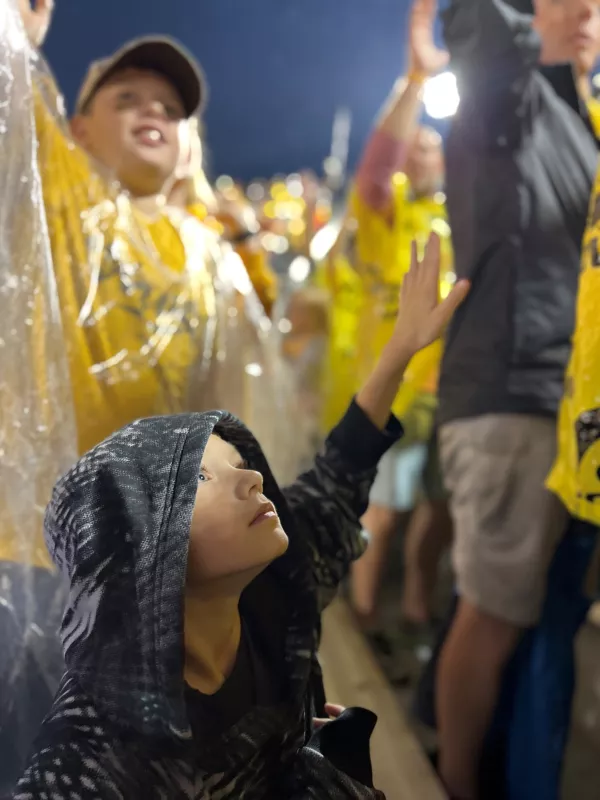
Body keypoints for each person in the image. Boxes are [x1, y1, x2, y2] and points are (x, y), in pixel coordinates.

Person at [14, 236, 470, 799]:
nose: (252, 478)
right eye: (200, 478)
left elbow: (335, 479)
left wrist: (399, 351)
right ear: (136, 546)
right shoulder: (96, 752)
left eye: (238, 462)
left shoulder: (274, 598)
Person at [1, 1, 292, 792]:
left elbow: (242, 422)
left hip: (165, 573)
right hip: (33, 559)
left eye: (170, 107)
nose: (153, 113)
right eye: (125, 99)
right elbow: (9, 96)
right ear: (76, 131)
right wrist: (19, 42)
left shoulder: (211, 260)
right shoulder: (57, 199)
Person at [426, 0, 600, 796]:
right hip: (512, 396)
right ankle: (453, 781)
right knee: (493, 615)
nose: (590, 13)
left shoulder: (582, 117)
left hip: (570, 410)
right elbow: (485, 30)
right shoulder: (513, 93)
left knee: (533, 622)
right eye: (570, 0)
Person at [345, 1, 455, 635]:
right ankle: (362, 615)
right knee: (381, 516)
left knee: (431, 514)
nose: (421, 150)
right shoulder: (389, 217)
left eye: (432, 143)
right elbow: (376, 164)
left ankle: (413, 613)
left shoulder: (461, 219)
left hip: (445, 399)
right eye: (414, 144)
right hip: (390, 392)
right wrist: (414, 83)